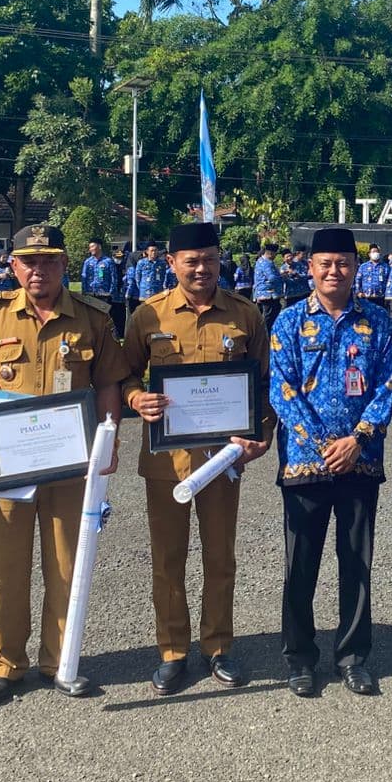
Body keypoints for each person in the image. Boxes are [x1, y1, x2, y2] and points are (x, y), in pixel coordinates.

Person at [0, 224, 130, 705]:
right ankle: (3, 664)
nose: (39, 270)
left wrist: (108, 440)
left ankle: (62, 660)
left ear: (65, 265)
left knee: (67, 563)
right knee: (3, 565)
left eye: (50, 260)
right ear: (13, 266)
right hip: (9, 462)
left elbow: (110, 384)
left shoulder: (92, 319)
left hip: (71, 463)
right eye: (29, 261)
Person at [121, 222, 276, 694]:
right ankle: (172, 651)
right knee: (167, 559)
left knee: (219, 557)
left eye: (209, 258)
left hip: (224, 459)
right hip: (167, 462)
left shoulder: (245, 314)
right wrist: (135, 400)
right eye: (190, 260)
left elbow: (266, 386)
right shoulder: (147, 316)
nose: (201, 268)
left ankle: (218, 647)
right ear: (171, 264)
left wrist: (260, 438)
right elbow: (124, 376)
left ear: (219, 260)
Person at [269, 227, 392, 697]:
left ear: (355, 268)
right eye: (324, 263)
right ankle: (300, 657)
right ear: (310, 268)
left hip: (359, 461)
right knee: (300, 565)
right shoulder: (288, 322)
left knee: (356, 563)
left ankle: (353, 656)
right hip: (306, 461)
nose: (333, 271)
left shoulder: (378, 322)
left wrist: (357, 439)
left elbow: (387, 385)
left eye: (343, 262)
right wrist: (326, 442)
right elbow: (281, 390)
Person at [80, 239, 122, 337]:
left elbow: (113, 277)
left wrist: (112, 292)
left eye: (92, 247)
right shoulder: (88, 262)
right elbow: (84, 277)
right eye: (89, 247)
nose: (90, 249)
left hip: (104, 294)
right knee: (91, 317)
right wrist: (84, 291)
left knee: (105, 317)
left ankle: (107, 336)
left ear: (99, 247)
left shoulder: (108, 261)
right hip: (91, 294)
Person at [252, 242, 283, 329]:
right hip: (268, 295)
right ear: (270, 253)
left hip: (262, 294)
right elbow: (272, 278)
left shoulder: (259, 261)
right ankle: (265, 339)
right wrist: (282, 276)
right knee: (269, 320)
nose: (275, 257)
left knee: (266, 318)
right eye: (275, 254)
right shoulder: (267, 263)